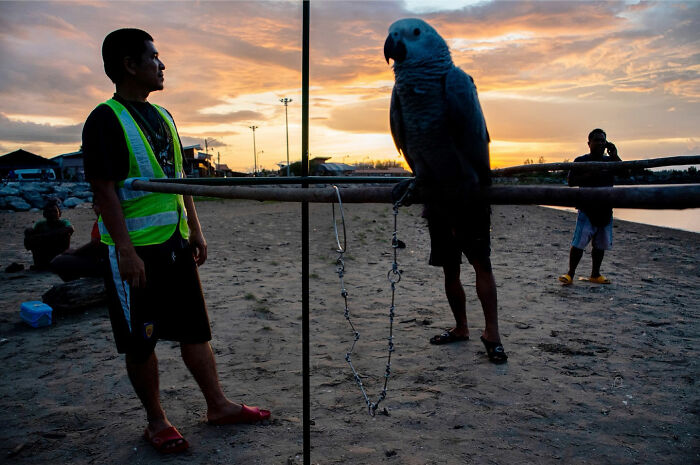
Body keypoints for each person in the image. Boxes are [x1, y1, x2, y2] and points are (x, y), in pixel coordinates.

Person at [82, 28, 270, 454]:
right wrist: (126, 252)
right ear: (130, 65)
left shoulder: (163, 116)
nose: (161, 64)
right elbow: (104, 190)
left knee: (194, 330)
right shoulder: (105, 119)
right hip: (135, 252)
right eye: (154, 57)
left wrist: (195, 229)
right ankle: (156, 420)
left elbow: (179, 181)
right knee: (141, 339)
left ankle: (218, 405)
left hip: (175, 243)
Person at [559, 128, 622, 285]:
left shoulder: (610, 161)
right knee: (578, 243)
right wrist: (592, 173)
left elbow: (625, 172)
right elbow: (571, 181)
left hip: (606, 209)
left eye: (603, 140)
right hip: (586, 209)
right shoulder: (581, 161)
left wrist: (614, 155)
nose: (600, 143)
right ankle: (570, 274)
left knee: (600, 245)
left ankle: (595, 274)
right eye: (597, 140)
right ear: (589, 143)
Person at [49, 203, 105, 282]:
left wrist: (76, 252)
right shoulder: (100, 221)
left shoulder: (104, 220)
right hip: (101, 258)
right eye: (95, 205)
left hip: (103, 261)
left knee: (58, 262)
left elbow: (97, 244)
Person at [24, 199, 74, 269]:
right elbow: (29, 232)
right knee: (29, 233)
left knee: (65, 233)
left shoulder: (63, 223)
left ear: (59, 213)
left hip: (58, 251)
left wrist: (45, 236)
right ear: (44, 214)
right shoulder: (40, 224)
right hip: (44, 251)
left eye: (55, 212)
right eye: (49, 212)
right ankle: (39, 263)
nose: (52, 214)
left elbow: (70, 229)